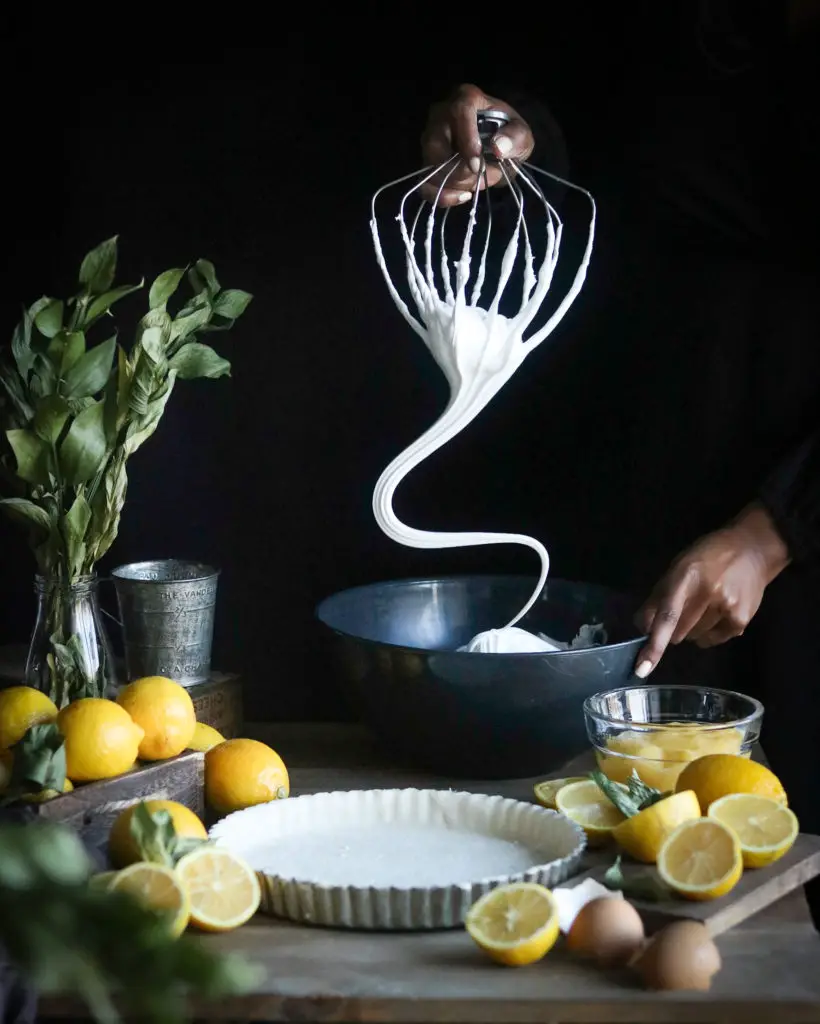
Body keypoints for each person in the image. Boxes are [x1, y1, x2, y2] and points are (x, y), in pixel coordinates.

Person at [421, 0, 820, 922]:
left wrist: (773, 533)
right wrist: (513, 132)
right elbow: (600, 117)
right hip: (642, 461)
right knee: (617, 854)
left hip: (799, 508)